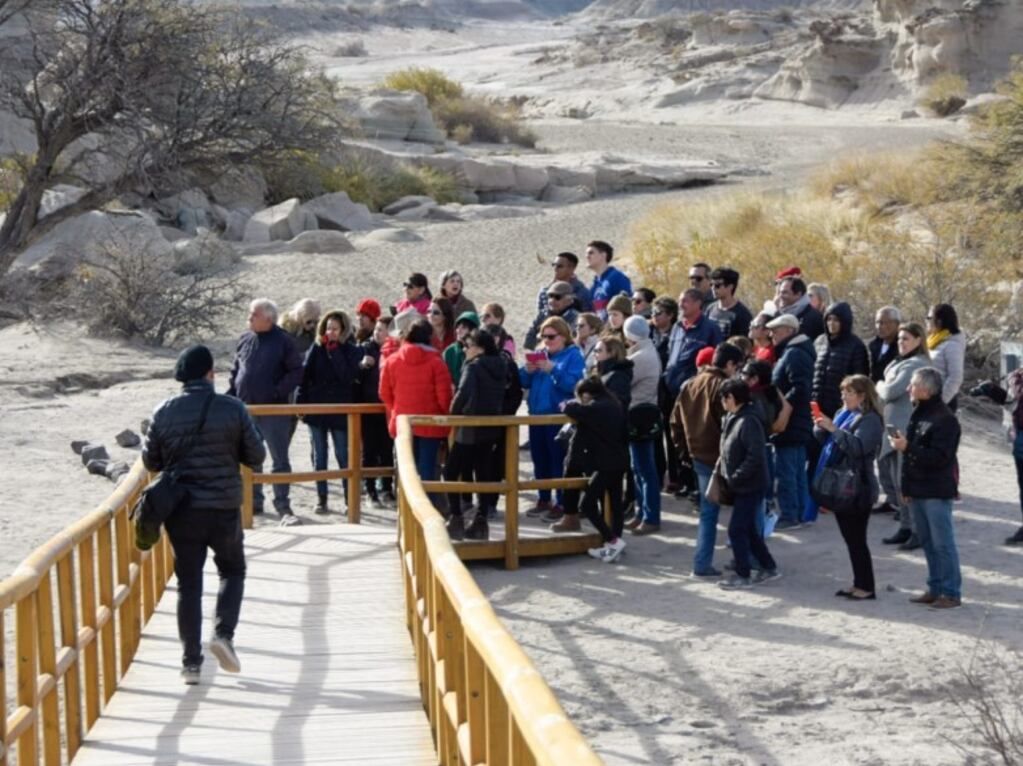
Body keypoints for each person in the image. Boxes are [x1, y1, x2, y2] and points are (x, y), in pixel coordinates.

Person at [142, 345, 266, 684]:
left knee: (189, 583)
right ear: (210, 373)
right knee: (232, 570)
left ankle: (190, 664)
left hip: (181, 509)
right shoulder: (232, 408)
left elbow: (151, 462)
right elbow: (256, 455)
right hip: (224, 504)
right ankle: (223, 634)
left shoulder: (163, 411)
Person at [889, 367, 963, 609]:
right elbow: (912, 456)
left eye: (913, 384)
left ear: (926, 389)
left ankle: (950, 592)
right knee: (929, 543)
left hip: (936, 490)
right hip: (919, 488)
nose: (909, 388)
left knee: (943, 543)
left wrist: (906, 447)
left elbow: (940, 457)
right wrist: (906, 487)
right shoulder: (919, 413)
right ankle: (935, 588)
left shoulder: (946, 419)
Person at [227, 299, 304, 525]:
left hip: (273, 410)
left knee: (279, 459)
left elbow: (296, 371)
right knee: (250, 458)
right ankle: (253, 502)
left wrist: (276, 392)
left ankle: (283, 505)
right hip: (246, 409)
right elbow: (236, 371)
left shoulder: (283, 341)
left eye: (253, 315)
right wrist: (231, 396)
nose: (249, 318)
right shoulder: (244, 339)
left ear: (268, 319)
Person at [673, 343, 746, 577]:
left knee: (708, 511)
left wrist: (684, 452)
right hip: (720, 456)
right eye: (737, 366)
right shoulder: (723, 387)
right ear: (729, 365)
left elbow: (675, 422)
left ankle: (702, 564)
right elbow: (732, 425)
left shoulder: (690, 384)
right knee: (743, 508)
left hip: (698, 455)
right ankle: (744, 559)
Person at [812, 375, 883, 600]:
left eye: (848, 392)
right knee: (851, 539)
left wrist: (833, 429)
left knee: (857, 540)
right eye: (843, 391)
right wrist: (821, 428)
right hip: (842, 484)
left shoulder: (870, 419)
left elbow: (859, 448)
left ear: (862, 396)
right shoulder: (845, 414)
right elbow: (830, 443)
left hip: (859, 487)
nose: (843, 396)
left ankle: (866, 587)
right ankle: (859, 583)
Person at [296, 309, 363, 515]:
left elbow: (346, 376)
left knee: (343, 455)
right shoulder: (315, 349)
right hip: (316, 410)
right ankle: (321, 498)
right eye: (328, 328)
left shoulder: (352, 351)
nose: (330, 332)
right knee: (319, 456)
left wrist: (335, 351)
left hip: (340, 410)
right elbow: (304, 376)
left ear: (343, 330)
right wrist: (300, 404)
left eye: (335, 329)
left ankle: (348, 499)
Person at [716, 379, 780, 589]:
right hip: (742, 484)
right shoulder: (734, 417)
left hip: (750, 484)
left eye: (723, 398)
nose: (721, 402)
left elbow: (755, 456)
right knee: (750, 529)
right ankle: (768, 566)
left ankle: (743, 574)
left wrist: (735, 477)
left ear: (731, 398)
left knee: (737, 529)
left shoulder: (748, 421)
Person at [444, 329, 507, 541]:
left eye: (468, 345)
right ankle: (481, 521)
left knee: (451, 471)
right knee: (483, 473)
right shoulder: (501, 365)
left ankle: (456, 518)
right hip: (491, 427)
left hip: (470, 426)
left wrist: (451, 416)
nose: (464, 349)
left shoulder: (473, 366)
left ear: (478, 349)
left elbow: (463, 393)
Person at [520, 316, 585, 517]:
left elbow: (574, 385)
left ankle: (562, 502)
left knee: (558, 460)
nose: (547, 340)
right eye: (543, 336)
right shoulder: (541, 354)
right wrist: (527, 371)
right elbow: (523, 382)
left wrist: (552, 369)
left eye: (551, 336)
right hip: (537, 415)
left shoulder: (573, 356)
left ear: (564, 336)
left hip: (558, 417)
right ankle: (544, 498)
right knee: (540, 460)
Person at [560, 377, 629, 563]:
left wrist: (568, 404)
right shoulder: (613, 404)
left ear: (586, 394)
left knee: (587, 505)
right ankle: (614, 546)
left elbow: (571, 409)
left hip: (606, 464)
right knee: (615, 505)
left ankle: (612, 541)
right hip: (619, 460)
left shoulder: (597, 407)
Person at [379, 319, 453, 483]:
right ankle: (428, 506)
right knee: (427, 474)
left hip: (403, 423)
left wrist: (396, 410)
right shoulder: (437, 363)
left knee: (406, 472)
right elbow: (444, 398)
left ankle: (405, 508)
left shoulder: (392, 361)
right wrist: (444, 419)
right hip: (430, 424)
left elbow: (384, 393)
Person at [877, 323, 931, 548]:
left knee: (906, 483)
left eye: (906, 338)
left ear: (919, 340)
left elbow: (890, 391)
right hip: (892, 426)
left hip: (906, 429)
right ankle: (906, 527)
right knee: (897, 483)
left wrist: (878, 385)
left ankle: (918, 531)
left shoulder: (916, 364)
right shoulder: (899, 362)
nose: (901, 342)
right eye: (899, 339)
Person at [766, 314, 816, 531]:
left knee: (787, 471)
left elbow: (801, 387)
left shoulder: (794, 354)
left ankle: (790, 515)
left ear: (788, 330)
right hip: (797, 421)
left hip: (791, 422)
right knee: (795, 470)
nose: (772, 334)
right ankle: (801, 513)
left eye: (776, 330)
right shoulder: (794, 351)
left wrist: (783, 406)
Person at [623, 315, 663, 534]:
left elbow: (624, 380)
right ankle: (642, 512)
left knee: (644, 469)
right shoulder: (645, 352)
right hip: (641, 413)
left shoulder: (641, 357)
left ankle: (650, 516)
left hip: (640, 415)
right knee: (638, 468)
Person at [358, 316, 394, 507]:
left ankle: (387, 488)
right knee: (369, 451)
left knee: (387, 450)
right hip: (368, 406)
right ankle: (370, 490)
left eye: (382, 330)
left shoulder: (394, 349)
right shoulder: (365, 348)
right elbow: (355, 377)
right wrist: (362, 366)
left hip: (387, 408)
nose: (377, 333)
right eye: (377, 329)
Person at [663, 288, 724, 400]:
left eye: (685, 301)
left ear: (698, 303)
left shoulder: (711, 329)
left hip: (693, 393)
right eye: (680, 301)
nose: (680, 305)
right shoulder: (677, 326)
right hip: (669, 389)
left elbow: (717, 361)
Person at [529, 252, 593, 336]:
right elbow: (539, 316)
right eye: (554, 265)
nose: (555, 269)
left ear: (571, 268)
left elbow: (587, 320)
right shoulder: (545, 291)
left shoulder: (581, 292)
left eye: (559, 266)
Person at [927, 303, 966, 410]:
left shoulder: (952, 345)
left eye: (929, 318)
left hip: (942, 403)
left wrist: (940, 402)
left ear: (939, 321)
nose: (926, 321)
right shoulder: (934, 341)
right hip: (928, 398)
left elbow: (956, 377)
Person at [525, 281, 581, 349]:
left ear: (568, 301)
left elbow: (570, 344)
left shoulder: (576, 319)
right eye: (550, 296)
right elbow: (528, 342)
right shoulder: (543, 314)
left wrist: (541, 338)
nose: (552, 300)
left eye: (557, 297)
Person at [586, 240, 632, 320]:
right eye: (587, 253)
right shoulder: (594, 284)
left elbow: (628, 305)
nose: (587, 256)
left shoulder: (617, 278)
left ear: (603, 255)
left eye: (591, 253)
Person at [707, 267, 753, 339]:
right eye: (711, 285)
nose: (713, 288)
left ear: (730, 287)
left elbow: (745, 343)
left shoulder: (742, 314)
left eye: (717, 285)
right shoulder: (710, 309)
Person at [775, 276, 825, 340]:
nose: (780, 296)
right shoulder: (778, 315)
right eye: (780, 292)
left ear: (798, 294)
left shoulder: (814, 318)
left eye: (785, 292)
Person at [443, 311, 480, 383]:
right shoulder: (450, 351)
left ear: (473, 331)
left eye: (464, 327)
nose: (458, 331)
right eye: (457, 327)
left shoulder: (480, 351)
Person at [868, 306, 901, 384]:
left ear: (897, 324)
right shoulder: (873, 346)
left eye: (885, 322)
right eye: (878, 322)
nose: (880, 326)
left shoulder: (902, 346)